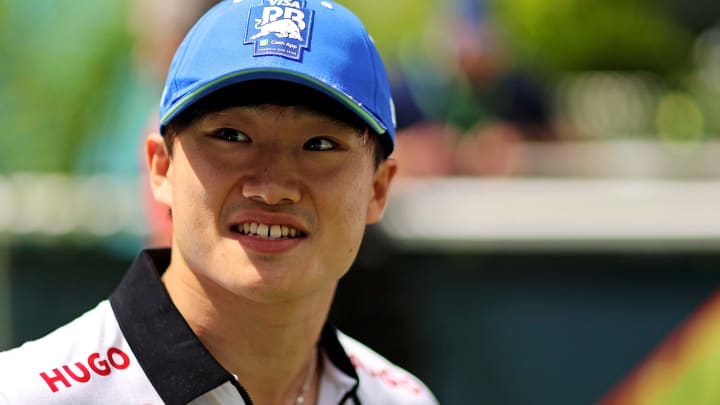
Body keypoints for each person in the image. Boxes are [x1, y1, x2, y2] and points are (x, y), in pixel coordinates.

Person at [0, 1, 439, 404]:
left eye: (319, 144)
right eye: (232, 136)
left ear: (378, 190)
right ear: (161, 169)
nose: (272, 187)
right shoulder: (28, 394)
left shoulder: (404, 399)